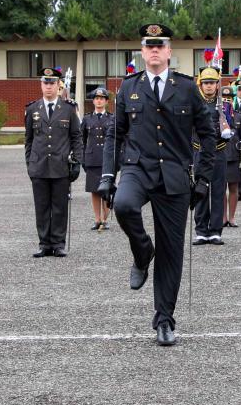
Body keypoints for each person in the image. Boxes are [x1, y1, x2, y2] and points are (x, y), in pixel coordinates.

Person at [98, 23, 215, 346]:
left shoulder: (187, 88)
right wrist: (108, 175)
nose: (153, 51)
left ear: (168, 52)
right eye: (148, 45)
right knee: (123, 206)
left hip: (175, 175)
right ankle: (141, 251)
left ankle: (164, 319)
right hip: (137, 169)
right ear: (142, 50)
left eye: (159, 45)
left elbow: (208, 135)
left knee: (171, 251)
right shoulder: (128, 87)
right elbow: (114, 134)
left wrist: (203, 178)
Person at [24, 67, 83, 258]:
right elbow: (29, 139)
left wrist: (77, 162)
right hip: (39, 166)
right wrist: (29, 163)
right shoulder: (32, 109)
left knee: (59, 206)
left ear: (58, 85)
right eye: (45, 83)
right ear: (41, 85)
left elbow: (76, 137)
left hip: (60, 166)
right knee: (41, 206)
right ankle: (44, 243)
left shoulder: (68, 108)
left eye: (52, 83)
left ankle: (58, 243)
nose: (48, 86)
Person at [190, 67, 228, 246]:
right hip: (199, 152)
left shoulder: (225, 104)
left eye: (212, 83)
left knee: (218, 192)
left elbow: (234, 125)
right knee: (200, 190)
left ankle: (215, 231)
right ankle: (201, 231)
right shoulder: (194, 104)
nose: (209, 87)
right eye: (205, 83)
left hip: (219, 152)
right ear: (200, 85)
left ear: (217, 84)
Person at [80, 87, 114, 231]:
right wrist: (82, 158)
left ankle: (105, 219)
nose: (99, 101)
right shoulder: (87, 118)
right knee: (94, 190)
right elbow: (82, 139)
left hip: (107, 159)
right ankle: (97, 219)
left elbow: (118, 141)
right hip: (92, 158)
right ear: (93, 101)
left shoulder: (112, 118)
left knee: (106, 189)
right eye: (96, 98)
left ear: (106, 101)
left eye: (102, 98)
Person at [222, 86, 241, 229]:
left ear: (233, 99)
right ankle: (223, 217)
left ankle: (231, 217)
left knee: (233, 188)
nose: (226, 101)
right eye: (224, 98)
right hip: (219, 156)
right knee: (220, 189)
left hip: (234, 156)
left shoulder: (237, 116)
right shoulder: (215, 115)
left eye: (229, 98)